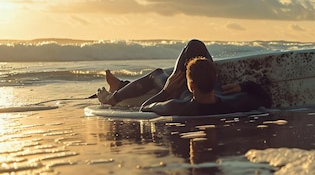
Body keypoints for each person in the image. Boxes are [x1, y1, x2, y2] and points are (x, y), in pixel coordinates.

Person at [96, 39, 272, 115]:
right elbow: (265, 97)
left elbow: (145, 107)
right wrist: (243, 86)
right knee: (197, 46)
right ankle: (121, 85)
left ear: (191, 85)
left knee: (158, 73)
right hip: (218, 95)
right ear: (216, 78)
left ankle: (114, 97)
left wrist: (167, 91)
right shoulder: (234, 102)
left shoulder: (178, 106)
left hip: (176, 91)